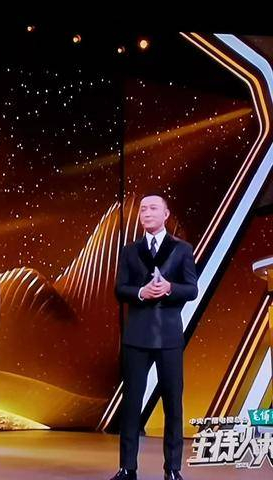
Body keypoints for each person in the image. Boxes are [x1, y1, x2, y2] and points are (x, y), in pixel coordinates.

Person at [110, 194, 198, 480]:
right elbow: (120, 289)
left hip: (169, 336)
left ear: (166, 214)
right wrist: (141, 292)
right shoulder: (129, 250)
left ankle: (172, 469)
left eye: (153, 208)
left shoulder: (182, 249)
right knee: (131, 404)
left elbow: (192, 289)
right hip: (136, 336)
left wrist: (170, 287)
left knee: (173, 404)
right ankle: (127, 468)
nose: (146, 213)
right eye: (143, 209)